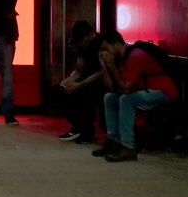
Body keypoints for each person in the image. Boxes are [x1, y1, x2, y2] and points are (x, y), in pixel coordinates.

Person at [92, 30, 179, 162]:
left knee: (126, 100)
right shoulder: (122, 59)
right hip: (145, 91)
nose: (105, 52)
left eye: (106, 48)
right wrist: (104, 66)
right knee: (109, 98)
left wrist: (111, 66)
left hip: (163, 92)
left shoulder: (135, 56)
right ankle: (115, 141)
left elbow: (126, 88)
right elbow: (111, 89)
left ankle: (128, 147)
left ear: (116, 44)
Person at [57, 20, 105, 143]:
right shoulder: (83, 47)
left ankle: (86, 130)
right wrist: (67, 82)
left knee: (86, 94)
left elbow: (103, 72)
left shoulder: (103, 44)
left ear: (90, 34)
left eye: (81, 40)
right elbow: (79, 70)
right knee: (58, 92)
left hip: (101, 83)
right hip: (86, 80)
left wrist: (78, 85)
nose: (80, 44)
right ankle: (79, 127)